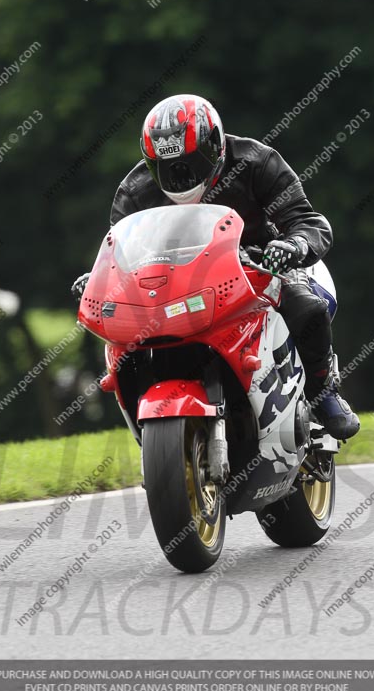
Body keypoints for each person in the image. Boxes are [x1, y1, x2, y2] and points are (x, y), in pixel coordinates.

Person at [73, 94, 359, 439]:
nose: (179, 177)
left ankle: (324, 393)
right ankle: (148, 418)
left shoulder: (256, 162)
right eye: (167, 167)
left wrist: (292, 246)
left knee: (307, 307)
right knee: (127, 339)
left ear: (215, 146)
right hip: (177, 284)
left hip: (259, 264)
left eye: (189, 163)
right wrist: (100, 276)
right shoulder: (134, 191)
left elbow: (307, 221)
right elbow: (120, 247)